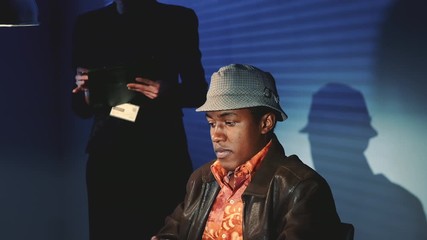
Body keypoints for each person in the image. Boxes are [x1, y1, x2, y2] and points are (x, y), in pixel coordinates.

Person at [151, 64, 342, 240]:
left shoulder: (302, 188)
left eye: (229, 122)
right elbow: (170, 234)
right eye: (211, 123)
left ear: (266, 123)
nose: (216, 135)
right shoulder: (201, 179)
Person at [70, 1, 208, 239]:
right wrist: (85, 90)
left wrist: (165, 90)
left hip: (162, 152)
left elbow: (198, 93)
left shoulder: (178, 19)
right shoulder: (90, 24)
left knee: (166, 230)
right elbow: (79, 109)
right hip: (108, 154)